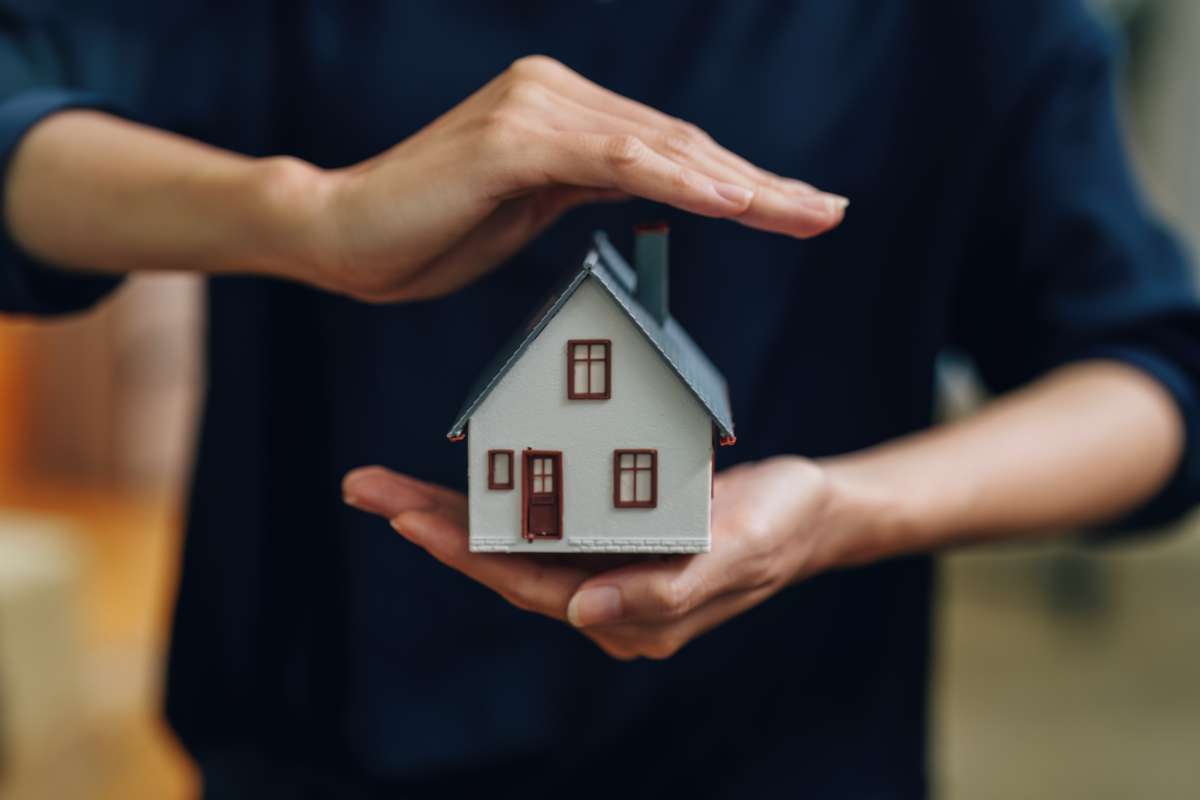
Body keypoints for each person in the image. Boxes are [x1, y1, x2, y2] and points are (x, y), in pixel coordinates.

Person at [2, 2, 1197, 797]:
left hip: (786, 746)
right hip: (318, 735)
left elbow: (1153, 375)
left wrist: (845, 506)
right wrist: (303, 216)